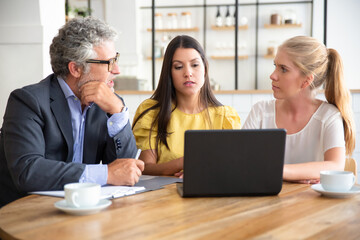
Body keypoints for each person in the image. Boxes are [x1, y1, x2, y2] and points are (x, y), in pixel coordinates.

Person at [0, 17, 144, 207]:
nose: (117, 70)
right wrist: (106, 173)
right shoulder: (27, 101)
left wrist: (118, 113)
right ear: (75, 68)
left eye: (115, 59)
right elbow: (28, 171)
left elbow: (126, 170)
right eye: (109, 62)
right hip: (28, 212)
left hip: (83, 209)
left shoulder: (109, 102)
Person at [243, 36, 355, 184]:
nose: (272, 75)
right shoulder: (260, 112)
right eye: (275, 65)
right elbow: (241, 162)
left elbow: (335, 166)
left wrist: (280, 171)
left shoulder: (329, 116)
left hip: (312, 204)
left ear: (306, 80)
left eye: (283, 69)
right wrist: (302, 173)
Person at [132, 35, 241, 177]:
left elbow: (233, 167)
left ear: (205, 69)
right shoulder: (151, 112)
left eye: (195, 65)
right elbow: (145, 168)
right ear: (169, 73)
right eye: (178, 67)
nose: (188, 73)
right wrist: (187, 162)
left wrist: (202, 171)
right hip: (161, 197)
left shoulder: (225, 117)